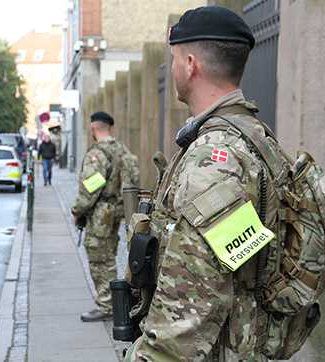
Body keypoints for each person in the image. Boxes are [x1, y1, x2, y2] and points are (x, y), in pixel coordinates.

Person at [124, 6, 286, 362]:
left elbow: (190, 307)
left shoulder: (214, 158)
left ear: (191, 64)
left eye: (174, 58)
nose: (174, 65)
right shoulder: (256, 136)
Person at [71, 111, 139, 322]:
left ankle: (107, 305)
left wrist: (77, 211)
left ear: (93, 128)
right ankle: (115, 301)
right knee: (109, 255)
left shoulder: (97, 154)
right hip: (116, 211)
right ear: (110, 127)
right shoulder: (122, 150)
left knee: (100, 259)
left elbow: (91, 188)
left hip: (100, 214)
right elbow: (133, 180)